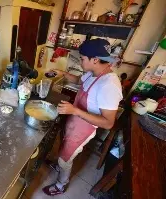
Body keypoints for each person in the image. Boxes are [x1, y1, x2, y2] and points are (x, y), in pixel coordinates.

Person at [42, 39, 123, 196]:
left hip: (83, 129)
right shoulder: (93, 72)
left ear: (95, 60)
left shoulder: (109, 86)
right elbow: (80, 81)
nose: (80, 61)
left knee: (66, 157)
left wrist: (75, 111)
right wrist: (63, 74)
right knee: (63, 148)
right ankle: (59, 165)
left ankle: (61, 185)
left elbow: (108, 123)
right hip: (74, 120)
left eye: (82, 58)